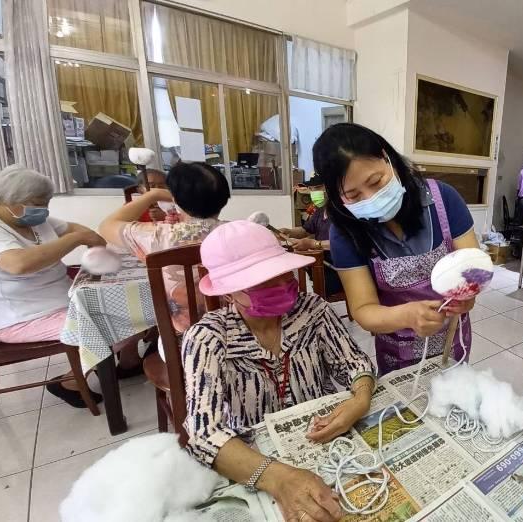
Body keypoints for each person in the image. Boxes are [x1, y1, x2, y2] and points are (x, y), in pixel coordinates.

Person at [184, 221, 376, 522]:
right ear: (229, 293)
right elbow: (205, 435)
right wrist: (279, 479)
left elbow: (355, 363)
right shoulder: (208, 338)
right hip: (252, 463)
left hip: (321, 442)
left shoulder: (312, 310)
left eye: (281, 273)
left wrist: (361, 397)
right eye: (261, 281)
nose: (278, 285)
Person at [313, 123, 478, 375]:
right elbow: (363, 309)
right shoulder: (344, 231)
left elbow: (472, 268)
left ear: (387, 157)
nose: (370, 199)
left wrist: (467, 297)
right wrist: (408, 316)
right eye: (354, 196)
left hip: (452, 342)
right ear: (337, 197)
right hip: (397, 355)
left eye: (376, 181)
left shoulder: (444, 198)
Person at [0, 164, 106, 407]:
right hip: (24, 316)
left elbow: (89, 234)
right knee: (108, 324)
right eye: (37, 202)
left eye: (46, 202)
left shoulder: (36, 220)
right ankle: (71, 381)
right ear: (10, 200)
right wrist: (75, 239)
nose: (43, 209)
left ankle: (119, 364)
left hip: (64, 299)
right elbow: (17, 264)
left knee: (143, 310)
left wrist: (88, 244)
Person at [99, 162, 230, 337]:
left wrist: (151, 196)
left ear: (175, 200)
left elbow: (106, 226)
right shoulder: (238, 232)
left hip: (183, 338)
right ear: (224, 199)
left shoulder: (157, 235)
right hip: (235, 330)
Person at [279, 173, 343, 296]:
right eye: (312, 189)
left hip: (338, 268)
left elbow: (343, 244)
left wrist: (313, 244)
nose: (314, 192)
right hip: (321, 264)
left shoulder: (342, 213)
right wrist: (289, 231)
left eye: (318, 188)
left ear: (331, 187)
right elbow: (305, 230)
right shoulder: (320, 211)